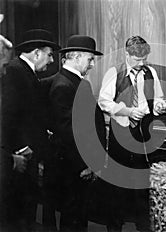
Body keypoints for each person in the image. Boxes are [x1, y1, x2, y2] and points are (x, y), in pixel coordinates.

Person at [98, 35, 166, 232]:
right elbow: (104, 102)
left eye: (144, 59)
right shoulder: (115, 73)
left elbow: (157, 99)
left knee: (141, 182)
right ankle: (114, 226)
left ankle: (142, 226)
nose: (141, 63)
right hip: (120, 132)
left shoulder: (150, 72)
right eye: (137, 60)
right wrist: (128, 111)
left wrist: (160, 106)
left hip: (144, 131)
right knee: (117, 183)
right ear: (126, 54)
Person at [1, 28, 60, 231]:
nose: (51, 60)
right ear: (36, 53)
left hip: (28, 155)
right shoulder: (15, 72)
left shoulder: (25, 73)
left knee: (26, 214)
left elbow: (28, 114)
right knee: (19, 216)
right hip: (21, 158)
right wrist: (19, 148)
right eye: (49, 54)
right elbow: (7, 116)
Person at [46, 35, 106, 231]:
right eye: (90, 59)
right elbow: (68, 133)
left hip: (80, 165)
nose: (91, 65)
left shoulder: (77, 83)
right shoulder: (64, 86)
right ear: (77, 57)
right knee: (73, 217)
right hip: (74, 167)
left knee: (78, 216)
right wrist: (86, 164)